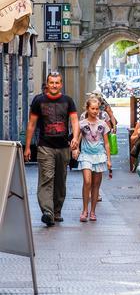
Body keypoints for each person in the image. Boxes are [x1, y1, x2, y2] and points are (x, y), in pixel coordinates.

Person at [23, 71, 80, 226]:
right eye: (51, 82)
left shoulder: (68, 101)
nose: (54, 85)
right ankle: (47, 212)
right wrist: (27, 147)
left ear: (61, 84)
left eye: (57, 82)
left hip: (63, 147)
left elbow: (75, 121)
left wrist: (75, 138)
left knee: (60, 181)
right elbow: (31, 124)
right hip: (45, 146)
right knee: (46, 179)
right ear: (47, 84)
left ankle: (56, 211)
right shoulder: (38, 101)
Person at [76, 96, 112, 222]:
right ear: (87, 108)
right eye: (92, 108)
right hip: (86, 155)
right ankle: (84, 210)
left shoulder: (102, 124)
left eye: (97, 109)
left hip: (100, 155)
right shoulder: (81, 124)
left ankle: (92, 212)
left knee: (96, 185)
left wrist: (108, 159)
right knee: (87, 181)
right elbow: (77, 137)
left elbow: (107, 143)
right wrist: (76, 148)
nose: (95, 111)